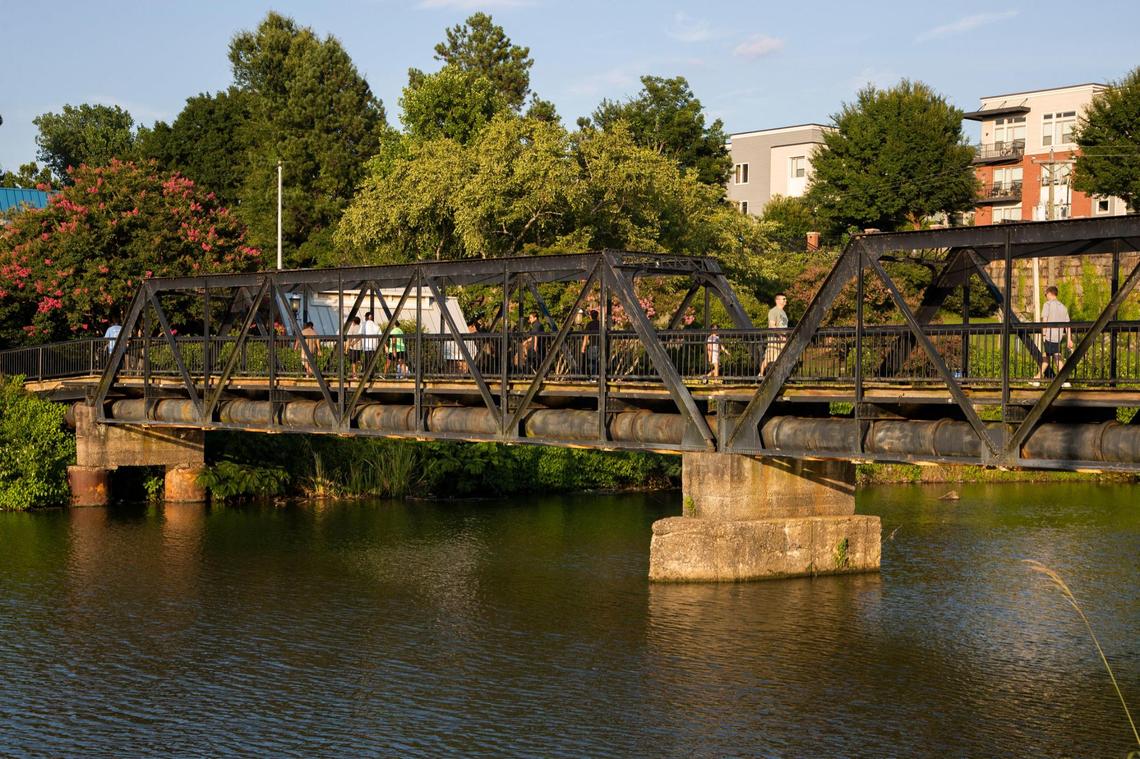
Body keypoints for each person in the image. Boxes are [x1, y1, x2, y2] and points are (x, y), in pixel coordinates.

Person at [1034, 286, 1074, 384]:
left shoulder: (1047, 305)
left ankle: (1063, 379)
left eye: (1045, 294)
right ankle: (1038, 377)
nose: (1045, 296)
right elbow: (1067, 325)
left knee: (1056, 357)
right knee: (1047, 356)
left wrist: (1043, 335)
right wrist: (1069, 339)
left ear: (1050, 293)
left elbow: (1045, 320)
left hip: (1049, 335)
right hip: (1058, 336)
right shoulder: (1063, 307)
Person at [760, 293, 789, 376]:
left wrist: (785, 337)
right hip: (774, 338)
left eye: (785, 299)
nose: (785, 300)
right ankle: (760, 375)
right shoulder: (773, 311)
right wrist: (780, 336)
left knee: (780, 358)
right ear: (777, 300)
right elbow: (772, 325)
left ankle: (778, 376)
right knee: (769, 357)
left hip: (783, 339)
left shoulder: (783, 312)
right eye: (783, 299)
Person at [581, 309, 600, 375]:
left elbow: (586, 337)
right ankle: (599, 376)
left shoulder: (590, 324)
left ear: (591, 316)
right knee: (599, 362)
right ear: (597, 316)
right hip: (601, 345)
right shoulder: (601, 324)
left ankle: (594, 376)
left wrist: (583, 347)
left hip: (593, 345)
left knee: (592, 362)